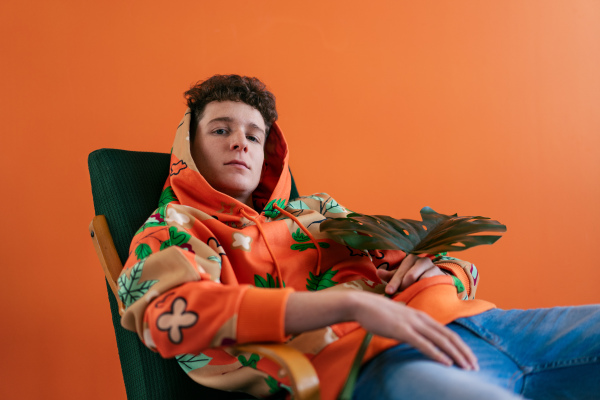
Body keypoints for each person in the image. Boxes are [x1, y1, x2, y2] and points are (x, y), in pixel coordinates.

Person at [117, 74, 599, 400]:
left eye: (254, 135)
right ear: (188, 145)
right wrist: (352, 306)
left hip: (474, 327)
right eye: (220, 129)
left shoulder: (319, 210)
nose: (240, 141)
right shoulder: (173, 229)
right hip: (364, 365)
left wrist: (436, 267)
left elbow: (438, 261)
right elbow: (169, 317)